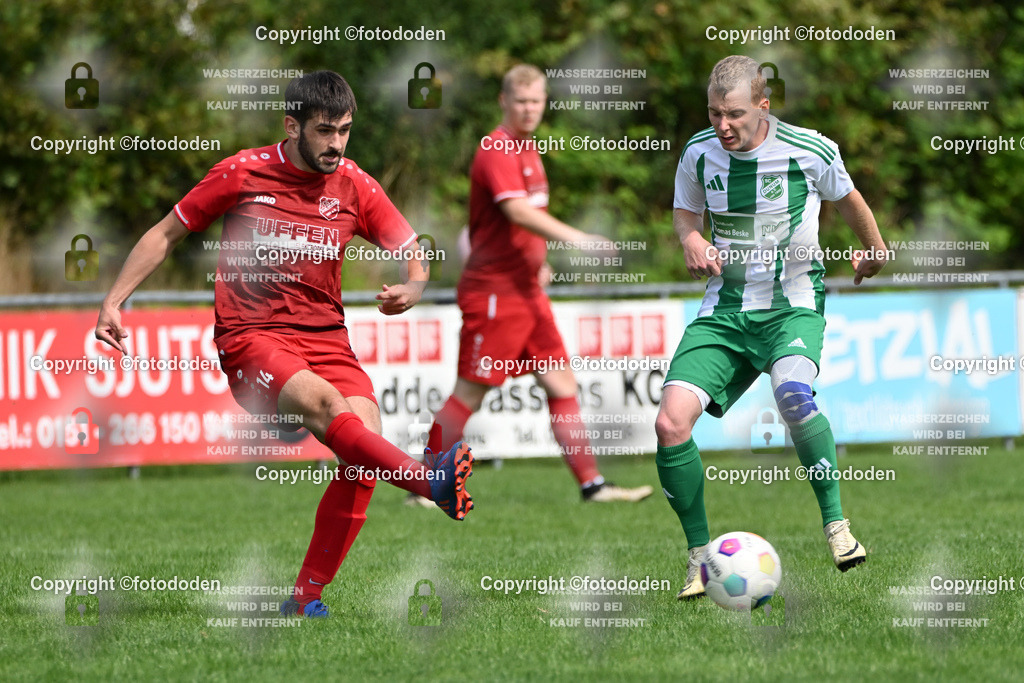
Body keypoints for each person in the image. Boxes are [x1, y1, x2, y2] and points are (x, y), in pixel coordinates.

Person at [95, 70, 474, 619]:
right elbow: (166, 234)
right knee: (329, 408)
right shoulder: (242, 172)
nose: (337, 144)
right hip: (251, 338)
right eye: (325, 131)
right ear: (291, 125)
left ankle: (305, 599)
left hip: (327, 340)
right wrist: (114, 300)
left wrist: (414, 284)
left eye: (345, 130)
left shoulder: (355, 184)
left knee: (363, 449)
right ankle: (427, 479)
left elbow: (412, 246)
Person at [657, 56, 887, 600]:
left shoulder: (810, 149)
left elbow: (848, 197)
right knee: (670, 425)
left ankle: (837, 528)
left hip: (792, 307)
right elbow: (686, 214)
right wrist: (690, 238)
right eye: (714, 114)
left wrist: (874, 249)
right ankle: (698, 559)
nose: (723, 126)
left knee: (793, 395)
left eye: (734, 114)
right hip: (725, 313)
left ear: (764, 105)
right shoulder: (698, 152)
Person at [424, 64, 653, 503]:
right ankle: (424, 483)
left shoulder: (528, 148)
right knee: (470, 391)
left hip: (527, 292)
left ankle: (593, 485)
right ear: (504, 102)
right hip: (494, 292)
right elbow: (517, 212)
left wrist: (540, 261)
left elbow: (523, 225)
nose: (530, 109)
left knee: (562, 384)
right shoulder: (496, 148)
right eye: (521, 101)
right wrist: (579, 240)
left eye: (536, 101)